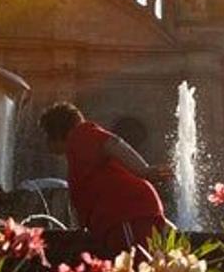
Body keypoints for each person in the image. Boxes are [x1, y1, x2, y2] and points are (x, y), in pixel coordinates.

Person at [40, 101, 172, 255]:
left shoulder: (80, 134)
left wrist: (143, 170)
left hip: (128, 213)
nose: (46, 143)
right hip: (122, 218)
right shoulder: (76, 154)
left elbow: (113, 143)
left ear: (57, 132)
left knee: (136, 269)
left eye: (47, 136)